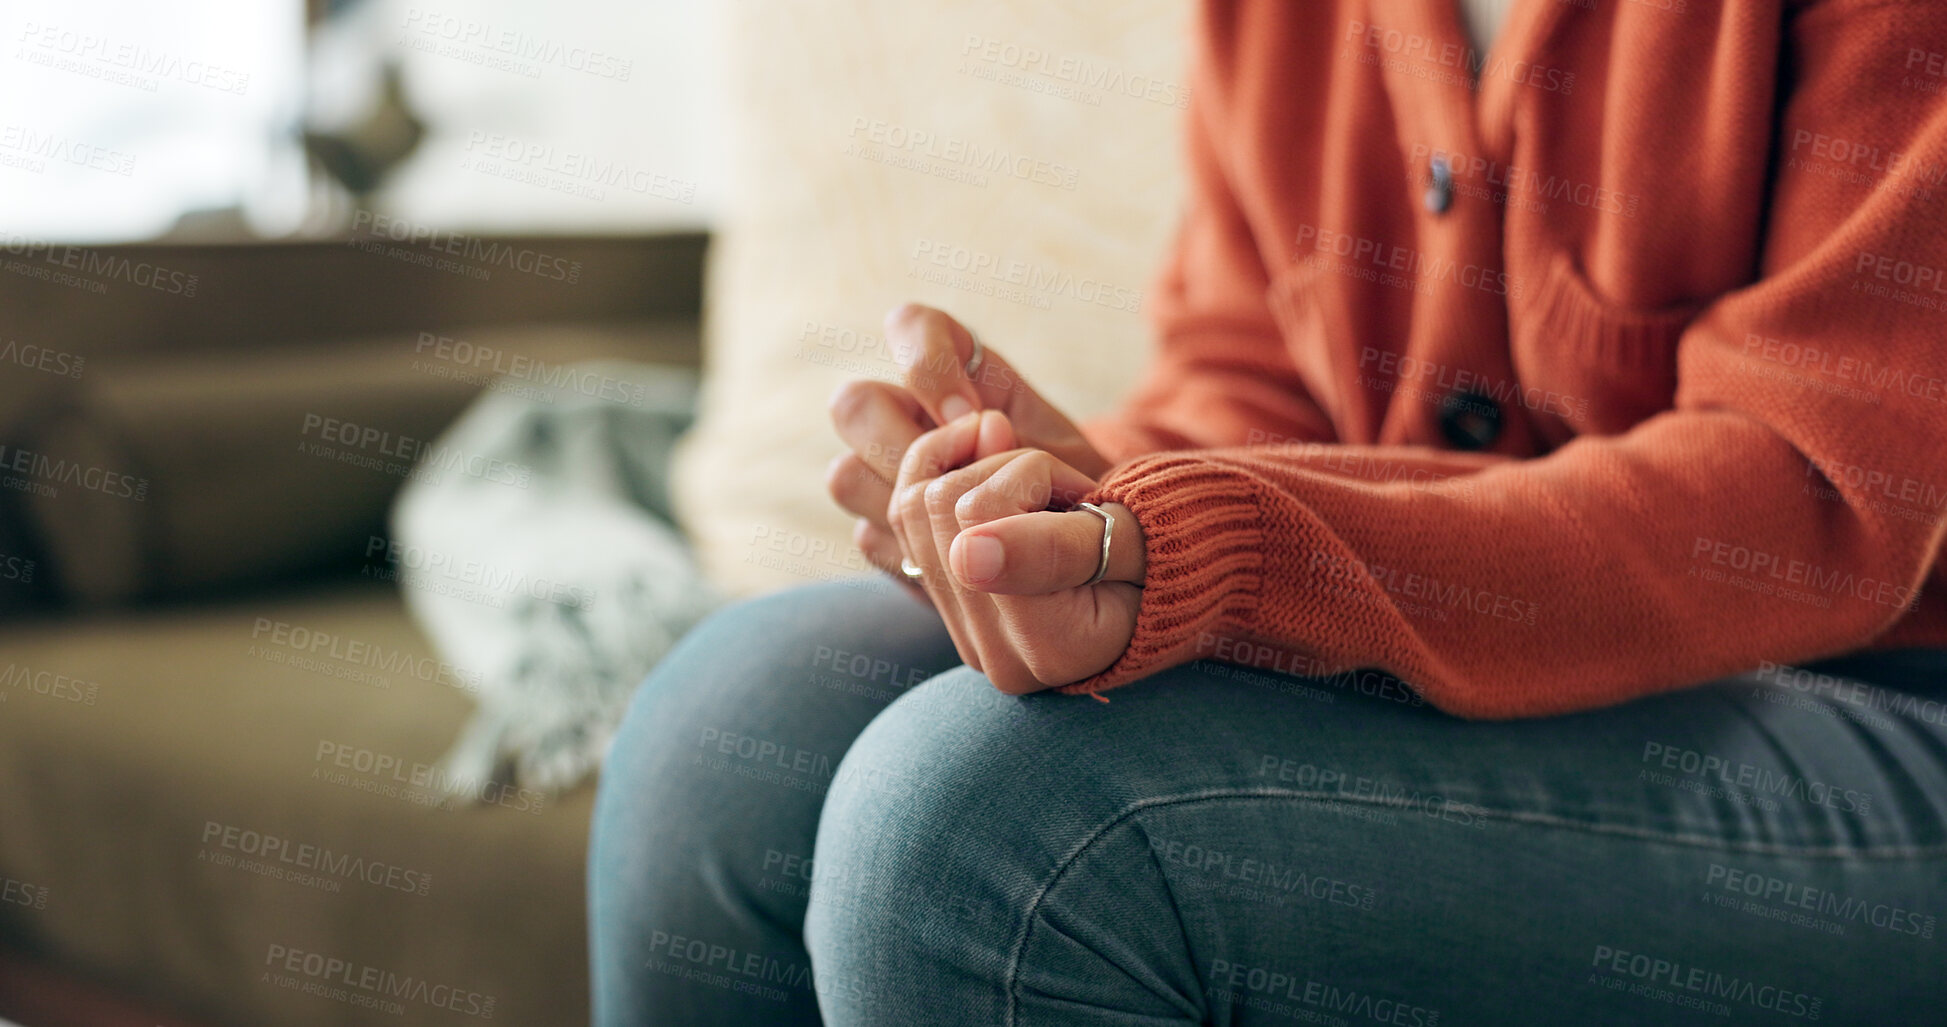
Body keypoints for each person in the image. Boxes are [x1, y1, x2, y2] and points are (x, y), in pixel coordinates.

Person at [590, 1, 1947, 1023]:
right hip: (1502, 663)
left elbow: (1807, 489)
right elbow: (1251, 373)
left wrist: (1224, 548)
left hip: (1886, 712)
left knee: (986, 823)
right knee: (732, 721)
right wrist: (1080, 508)